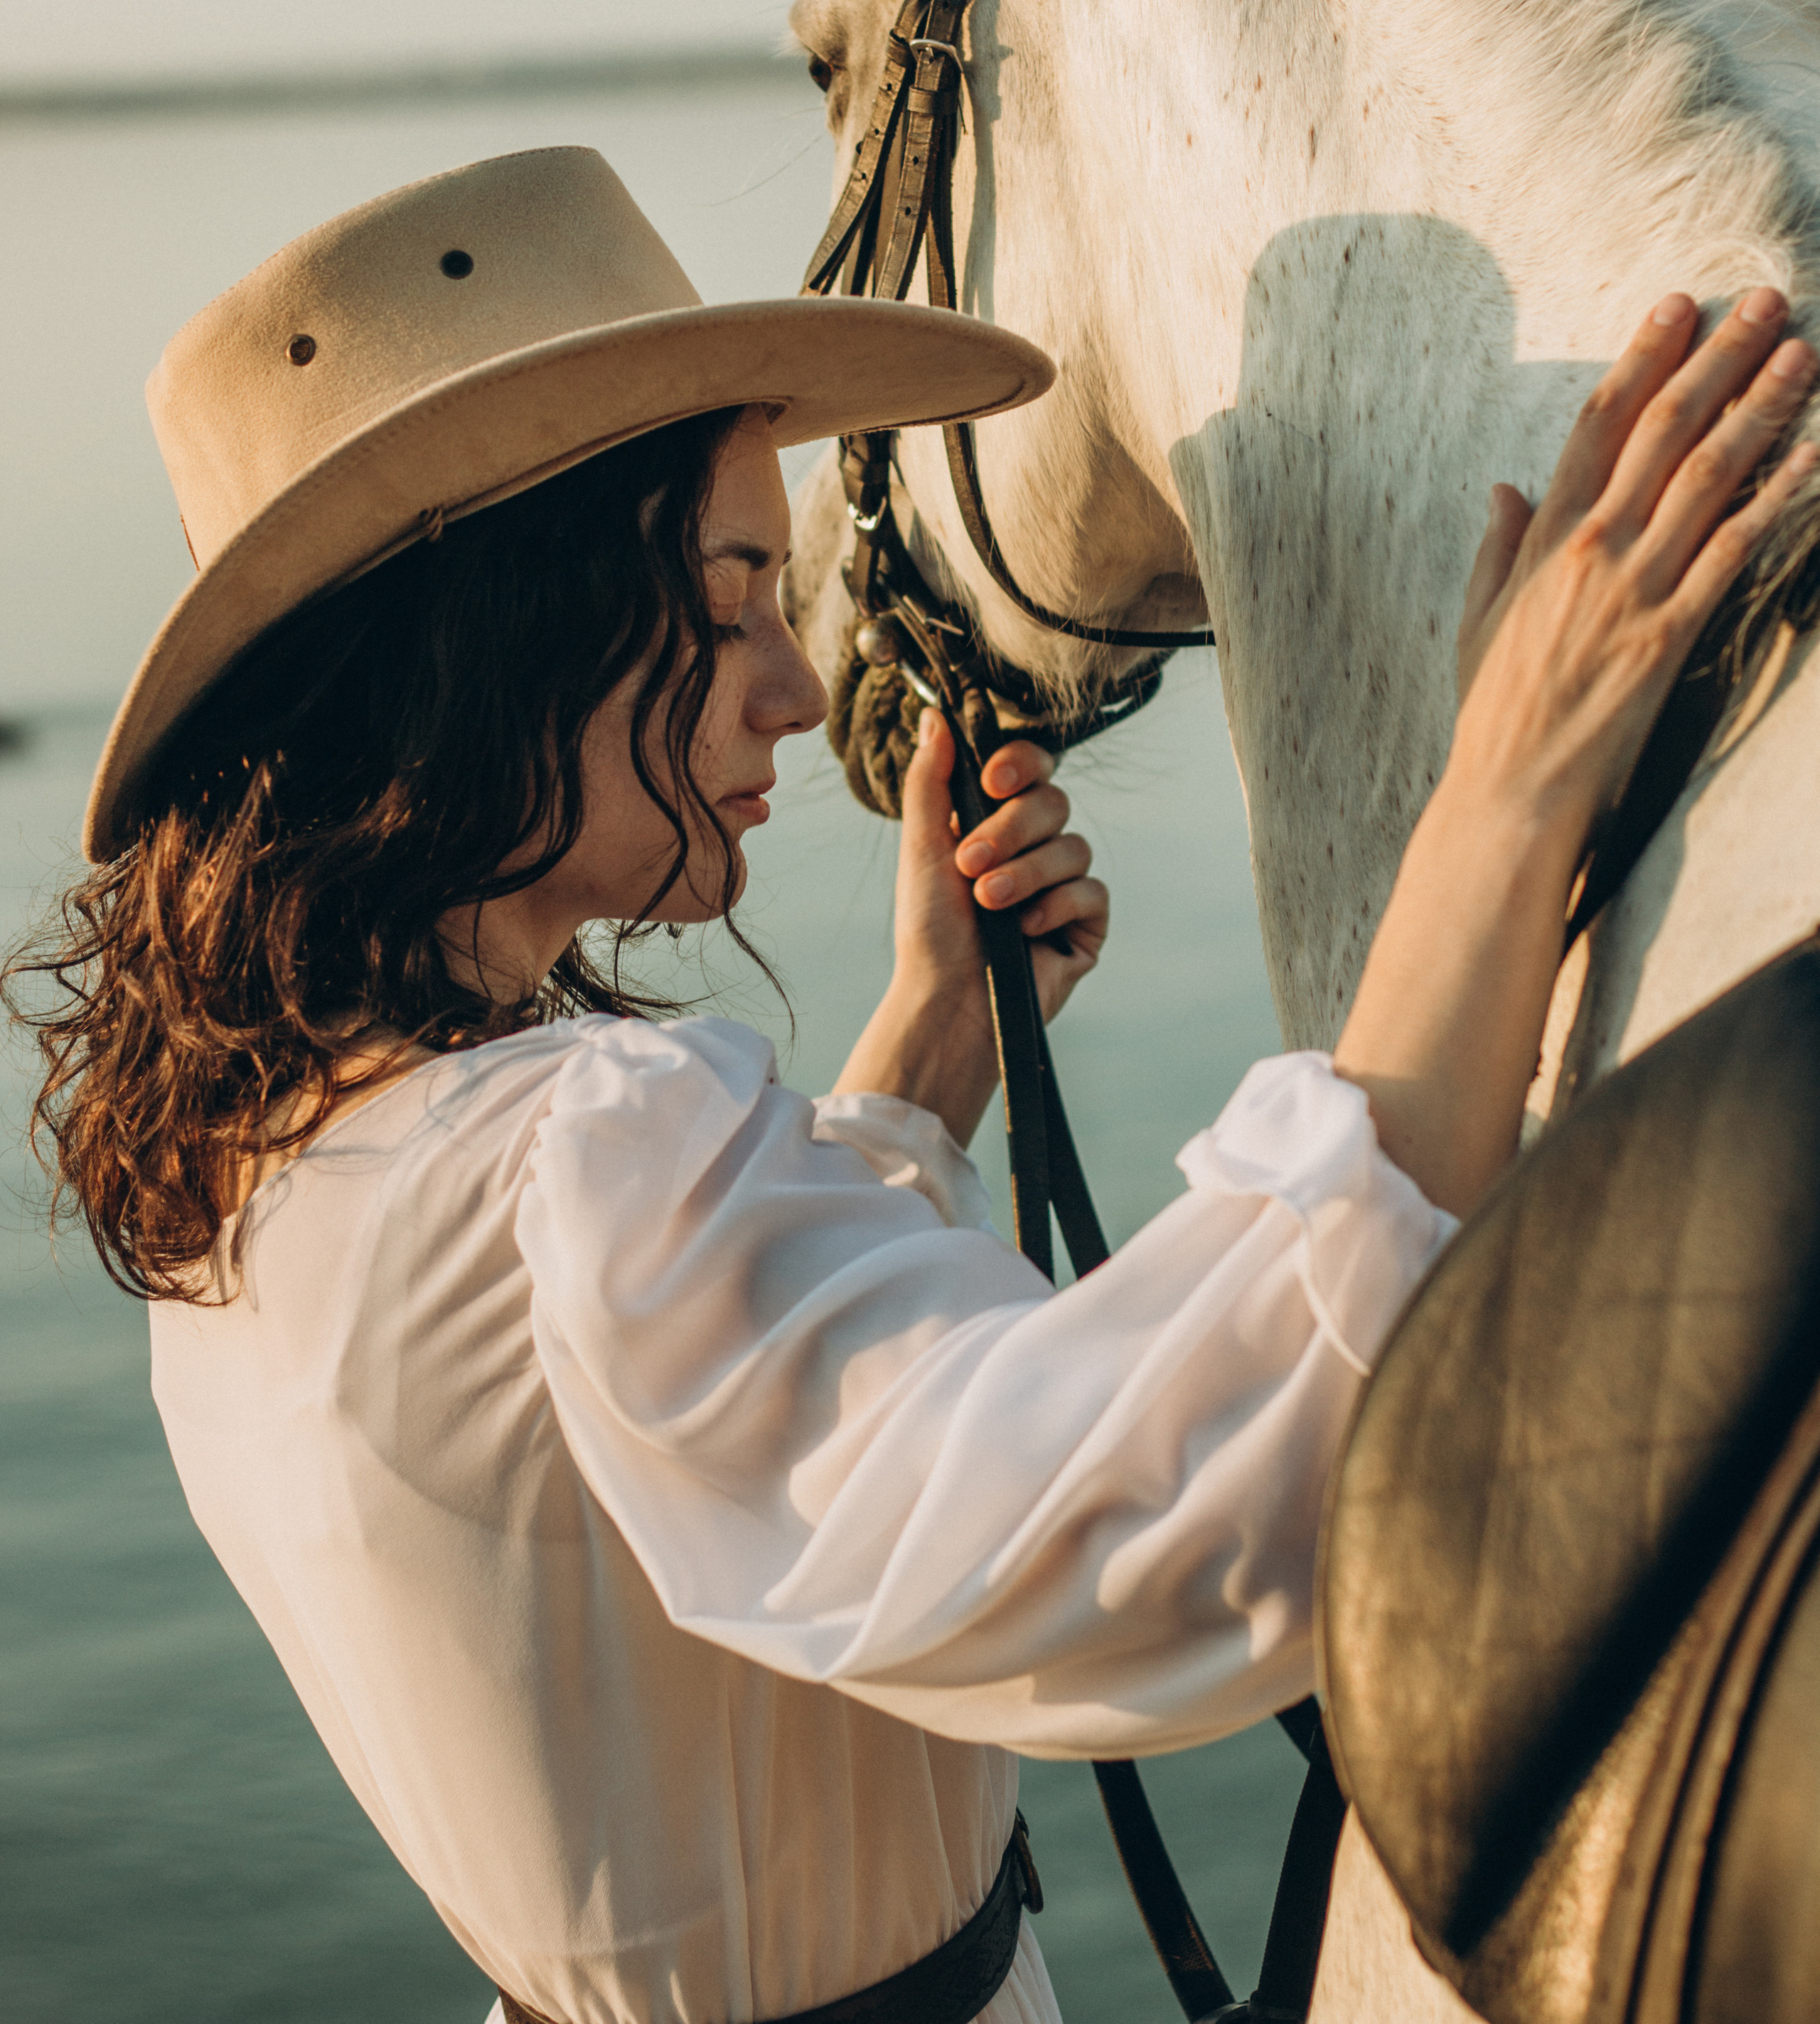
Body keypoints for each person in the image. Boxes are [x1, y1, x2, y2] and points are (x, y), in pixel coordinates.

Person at [11, 144, 1815, 2024]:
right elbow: (1166, 1500)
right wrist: (1501, 803)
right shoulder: (579, 1154)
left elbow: (640, 1471)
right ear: (494, 640)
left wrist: (927, 1057)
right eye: (728, 599)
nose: (798, 686)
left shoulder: (269, 1162)